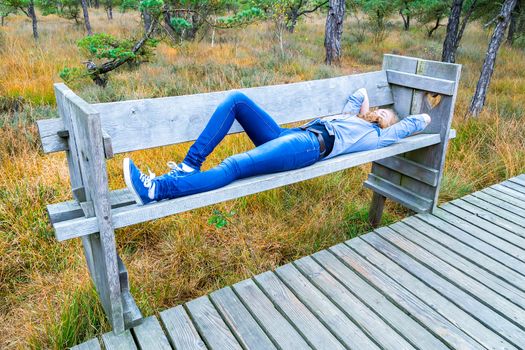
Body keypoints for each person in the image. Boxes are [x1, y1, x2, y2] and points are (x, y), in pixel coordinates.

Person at [123, 88, 431, 205]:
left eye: (384, 116)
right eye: (381, 110)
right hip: (290, 135)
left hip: (308, 147)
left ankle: (157, 191)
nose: (380, 113)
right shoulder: (353, 116)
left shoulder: (375, 137)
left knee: (234, 166)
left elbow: (407, 126)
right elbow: (360, 93)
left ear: (385, 125)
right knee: (237, 100)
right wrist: (369, 109)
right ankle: (190, 165)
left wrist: (413, 118)